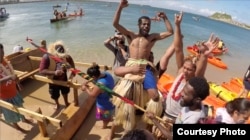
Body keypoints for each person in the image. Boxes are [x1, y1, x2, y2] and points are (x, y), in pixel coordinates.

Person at [109, 0, 174, 138]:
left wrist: (165, 18)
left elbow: (170, 32)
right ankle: (122, 124)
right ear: (139, 25)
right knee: (122, 90)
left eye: (148, 24)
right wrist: (120, 7)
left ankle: (148, 120)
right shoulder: (130, 35)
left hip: (145, 67)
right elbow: (115, 24)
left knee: (155, 96)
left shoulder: (152, 38)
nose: (146, 26)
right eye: (144, 24)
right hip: (131, 65)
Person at [163, 12, 219, 121]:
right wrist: (177, 26)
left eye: (189, 69)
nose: (185, 71)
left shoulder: (194, 81)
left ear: (194, 70)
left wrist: (203, 55)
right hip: (165, 112)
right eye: (185, 67)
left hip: (176, 119)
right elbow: (178, 48)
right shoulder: (180, 72)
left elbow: (200, 71)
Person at [0, 43, 32, 132]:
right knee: (11, 113)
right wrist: (9, 78)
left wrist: (18, 83)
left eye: (2, 52)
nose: (1, 55)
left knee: (20, 106)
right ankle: (17, 127)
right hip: (4, 96)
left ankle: (24, 119)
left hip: (14, 91)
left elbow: (13, 74)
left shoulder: (5, 61)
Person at [39, 41, 75, 110]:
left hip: (63, 78)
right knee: (54, 94)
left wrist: (72, 73)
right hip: (53, 79)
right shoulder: (46, 57)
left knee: (65, 91)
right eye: (59, 57)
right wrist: (54, 72)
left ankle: (66, 102)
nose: (61, 58)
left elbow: (72, 65)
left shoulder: (65, 56)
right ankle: (57, 104)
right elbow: (41, 71)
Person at [81, 64, 115, 129]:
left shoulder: (100, 85)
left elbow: (92, 95)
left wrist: (85, 89)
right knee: (107, 114)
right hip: (110, 99)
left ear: (93, 76)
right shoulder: (105, 73)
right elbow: (95, 81)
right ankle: (108, 119)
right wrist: (88, 81)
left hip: (104, 104)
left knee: (104, 117)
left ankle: (104, 126)